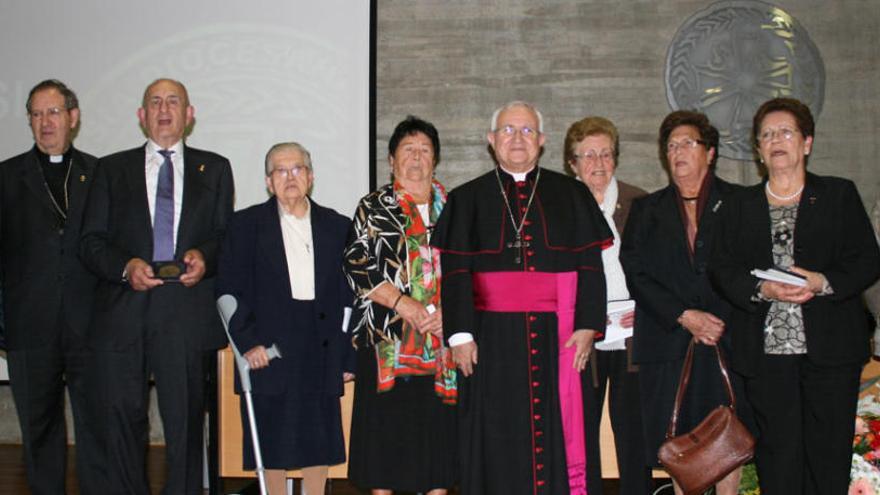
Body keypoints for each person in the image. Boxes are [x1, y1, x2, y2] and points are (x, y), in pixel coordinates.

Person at [431, 101, 610, 494]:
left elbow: (590, 267)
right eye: (508, 130)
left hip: (557, 337)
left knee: (559, 428)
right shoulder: (467, 198)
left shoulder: (572, 193)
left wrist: (587, 326)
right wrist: (460, 336)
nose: (517, 138)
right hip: (491, 339)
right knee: (495, 430)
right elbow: (457, 274)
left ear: (542, 142)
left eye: (527, 131)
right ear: (491, 140)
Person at [710, 97, 880, 494]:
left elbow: (867, 260)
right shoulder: (739, 205)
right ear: (758, 150)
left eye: (785, 132)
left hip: (831, 350)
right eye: (766, 135)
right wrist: (761, 288)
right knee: (777, 457)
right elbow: (722, 268)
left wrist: (822, 281)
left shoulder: (838, 194)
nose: (776, 140)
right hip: (767, 355)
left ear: (806, 142)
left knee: (828, 455)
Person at [79, 78, 234, 495]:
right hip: (123, 315)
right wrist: (125, 266)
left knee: (184, 425)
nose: (164, 110)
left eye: (174, 102)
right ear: (141, 115)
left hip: (183, 316)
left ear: (190, 114)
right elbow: (90, 241)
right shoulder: (109, 169)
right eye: (155, 102)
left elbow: (225, 236)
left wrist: (205, 256)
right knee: (122, 424)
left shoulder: (215, 168)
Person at [620, 110, 751, 495]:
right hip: (670, 344)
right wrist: (685, 316)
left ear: (709, 153)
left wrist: (716, 320)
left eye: (687, 143)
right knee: (681, 450)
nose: (677, 151)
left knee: (730, 444)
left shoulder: (740, 202)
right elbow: (636, 273)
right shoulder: (647, 209)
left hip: (727, 342)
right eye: (671, 145)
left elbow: (751, 268)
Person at [217, 142, 353, 495]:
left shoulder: (338, 226)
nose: (290, 177)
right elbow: (228, 290)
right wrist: (248, 343)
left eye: (297, 169)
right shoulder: (245, 225)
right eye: (281, 170)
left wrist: (347, 356)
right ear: (268, 181)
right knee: (272, 437)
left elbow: (350, 296)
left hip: (320, 344)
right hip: (269, 345)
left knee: (317, 437)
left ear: (310, 176)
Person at [0, 79, 104, 494]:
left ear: (73, 118)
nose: (46, 123)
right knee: (39, 434)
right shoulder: (6, 177)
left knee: (97, 429)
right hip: (29, 327)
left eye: (54, 112)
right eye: (37, 114)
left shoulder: (99, 174)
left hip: (91, 328)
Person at [343, 116, 457, 495]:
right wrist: (401, 303)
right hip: (388, 341)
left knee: (437, 443)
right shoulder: (374, 207)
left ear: (435, 160)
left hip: (443, 346)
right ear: (391, 159)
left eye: (424, 150)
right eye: (408, 150)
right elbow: (356, 263)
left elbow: (473, 267)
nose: (416, 157)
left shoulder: (456, 208)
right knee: (385, 447)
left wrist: (452, 312)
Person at [564, 116, 652, 495]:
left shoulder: (641, 203)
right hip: (582, 338)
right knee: (582, 438)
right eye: (588, 155)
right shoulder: (561, 207)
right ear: (572, 164)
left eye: (605, 154)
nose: (598, 163)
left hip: (634, 338)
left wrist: (645, 308)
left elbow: (656, 270)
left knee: (634, 435)